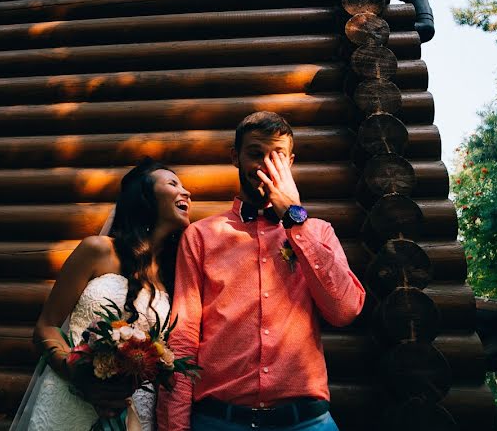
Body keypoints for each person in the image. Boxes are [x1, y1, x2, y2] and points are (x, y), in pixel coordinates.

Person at [157, 112, 366, 431]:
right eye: (255, 154)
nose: (266, 166)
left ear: (291, 162)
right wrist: (174, 426)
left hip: (306, 421)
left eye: (277, 156)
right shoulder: (200, 236)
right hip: (218, 420)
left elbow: (345, 310)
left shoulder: (319, 232)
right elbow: (183, 335)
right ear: (235, 157)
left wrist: (295, 221)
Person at [10, 158, 192, 431]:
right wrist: (76, 373)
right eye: (173, 183)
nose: (186, 192)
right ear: (145, 197)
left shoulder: (174, 274)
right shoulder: (97, 251)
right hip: (71, 399)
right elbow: (45, 327)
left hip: (135, 410)